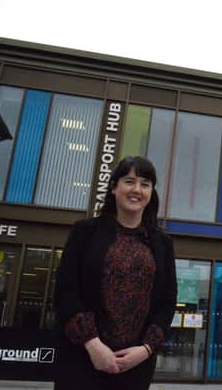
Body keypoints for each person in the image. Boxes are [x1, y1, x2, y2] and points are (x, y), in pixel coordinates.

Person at [53, 156, 177, 390]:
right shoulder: (85, 232)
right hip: (83, 358)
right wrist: (93, 344)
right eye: (129, 181)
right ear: (114, 187)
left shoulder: (162, 243)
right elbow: (65, 291)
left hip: (136, 365)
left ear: (151, 192)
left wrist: (146, 349)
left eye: (145, 184)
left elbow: (167, 302)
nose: (137, 190)